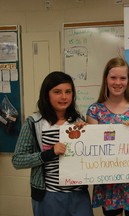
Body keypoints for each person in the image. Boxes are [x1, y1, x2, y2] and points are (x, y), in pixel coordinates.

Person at [12, 71, 93, 216]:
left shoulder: (79, 120)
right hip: (49, 196)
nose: (64, 97)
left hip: (79, 194)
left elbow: (89, 155)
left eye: (68, 92)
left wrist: (88, 137)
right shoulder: (34, 122)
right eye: (57, 92)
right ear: (46, 94)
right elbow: (17, 160)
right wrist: (50, 153)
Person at [86, 57, 129, 216]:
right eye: (113, 77)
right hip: (109, 181)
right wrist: (120, 131)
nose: (118, 82)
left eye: (123, 78)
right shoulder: (94, 111)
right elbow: (95, 146)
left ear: (128, 81)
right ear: (106, 79)